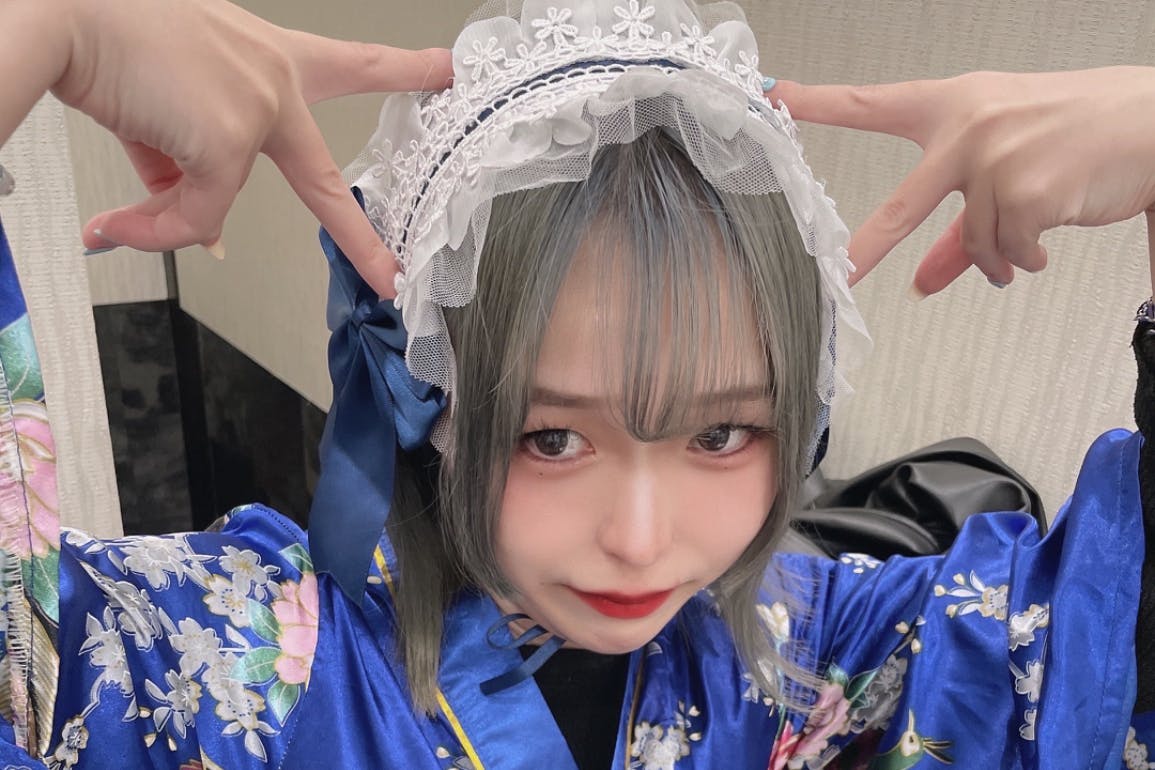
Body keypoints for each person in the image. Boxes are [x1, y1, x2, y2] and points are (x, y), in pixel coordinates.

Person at [0, 0, 1151, 768]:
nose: (642, 541)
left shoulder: (800, 650)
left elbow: (1107, 631)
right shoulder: (232, 655)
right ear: (433, 397)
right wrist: (48, 29)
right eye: (551, 436)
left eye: (722, 432)